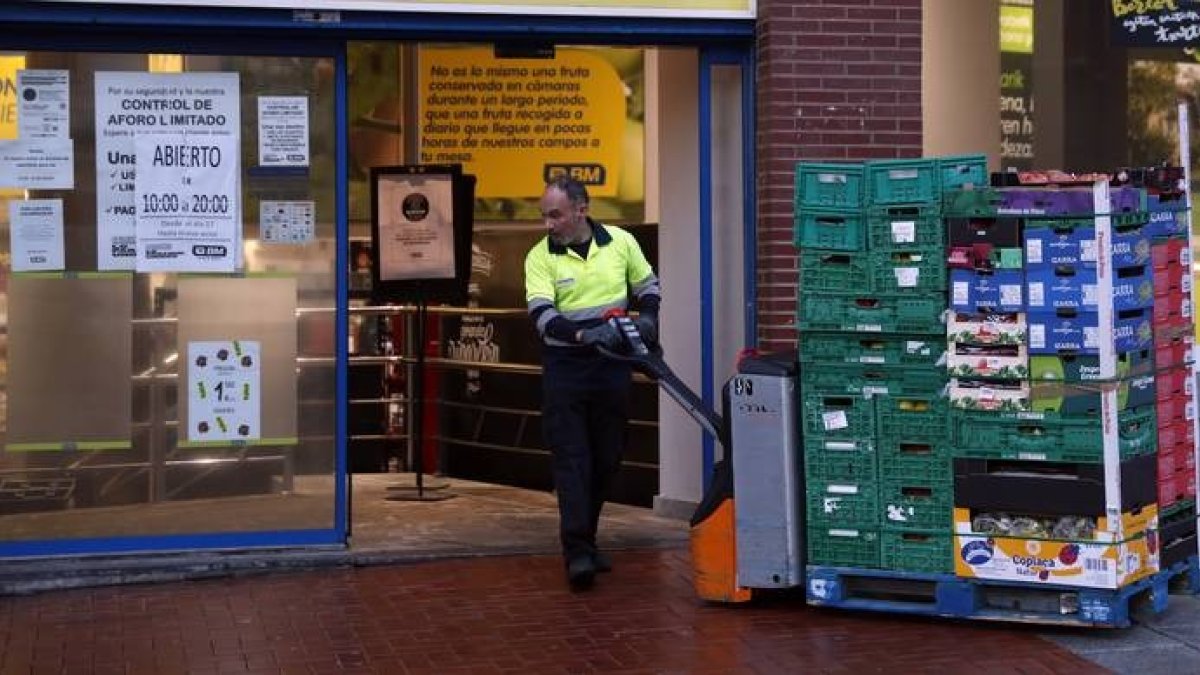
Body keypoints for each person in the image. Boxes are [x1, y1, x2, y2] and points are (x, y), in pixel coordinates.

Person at [524, 176, 661, 591]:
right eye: (545, 215)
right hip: (566, 367)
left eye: (556, 215)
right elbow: (543, 317)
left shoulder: (620, 242)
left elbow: (647, 286)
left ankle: (588, 536)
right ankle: (577, 552)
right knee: (572, 460)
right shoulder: (539, 257)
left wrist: (649, 318)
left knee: (607, 457)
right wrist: (584, 335)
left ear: (581, 210)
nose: (549, 224)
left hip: (613, 365)